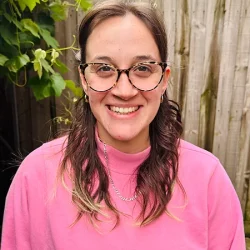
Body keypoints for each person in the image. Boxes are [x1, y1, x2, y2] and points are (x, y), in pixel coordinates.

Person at [1, 1, 246, 249]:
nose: (124, 90)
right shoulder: (37, 177)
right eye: (104, 68)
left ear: (163, 79)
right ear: (84, 79)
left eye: (142, 68)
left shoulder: (208, 181)